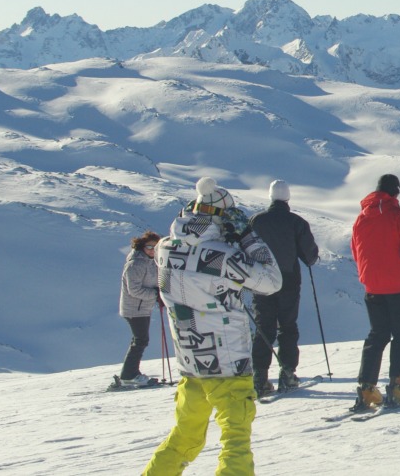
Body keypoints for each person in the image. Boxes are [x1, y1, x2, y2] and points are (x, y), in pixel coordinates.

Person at [144, 177, 282, 476]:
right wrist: (247, 235)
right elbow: (271, 281)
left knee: (185, 435)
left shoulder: (165, 248)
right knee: (235, 439)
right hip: (228, 361)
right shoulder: (221, 257)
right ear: (223, 219)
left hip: (191, 362)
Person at [349, 174, 400, 411]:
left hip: (372, 285)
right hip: (398, 285)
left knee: (377, 335)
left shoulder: (361, 219)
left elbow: (356, 252)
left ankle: (367, 388)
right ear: (396, 193)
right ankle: (397, 386)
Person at [248, 180, 320, 397]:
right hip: (288, 280)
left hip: (261, 280)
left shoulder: (256, 221)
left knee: (263, 326)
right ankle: (287, 374)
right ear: (287, 198)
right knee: (287, 326)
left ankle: (260, 377)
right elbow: (309, 256)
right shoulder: (296, 222)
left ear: (270, 197)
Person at [115, 230, 161, 387]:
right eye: (149, 247)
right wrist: (156, 294)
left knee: (140, 340)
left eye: (155, 248)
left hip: (142, 308)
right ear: (141, 246)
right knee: (140, 340)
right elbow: (134, 290)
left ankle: (130, 373)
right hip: (134, 309)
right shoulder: (136, 263)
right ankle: (129, 375)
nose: (151, 250)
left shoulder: (151, 261)